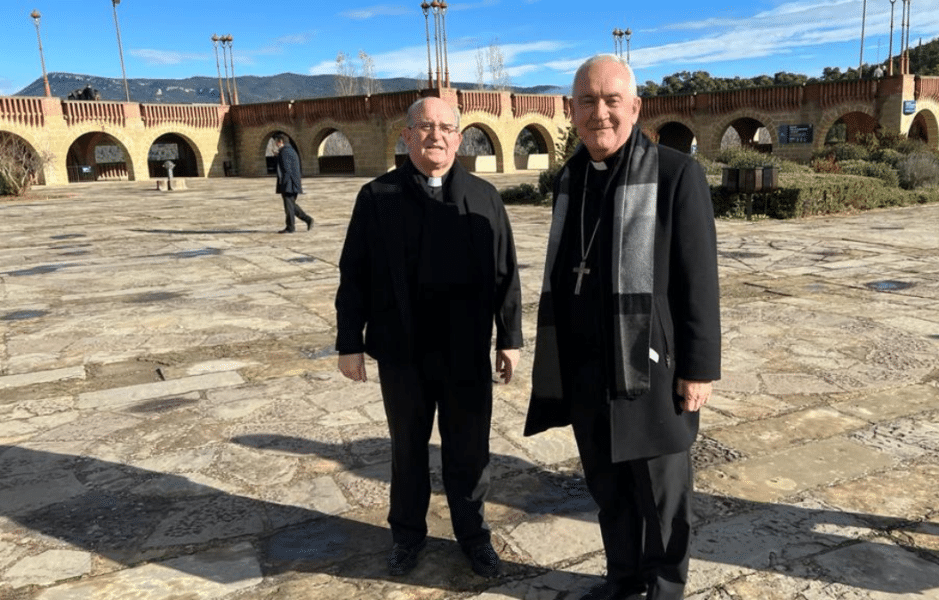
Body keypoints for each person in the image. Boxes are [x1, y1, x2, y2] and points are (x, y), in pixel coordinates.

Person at [524, 55, 721, 600]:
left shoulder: (677, 173)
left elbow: (698, 278)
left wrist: (700, 368)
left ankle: (663, 589)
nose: (600, 113)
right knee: (608, 489)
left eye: (612, 100)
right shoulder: (571, 178)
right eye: (587, 101)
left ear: (635, 107)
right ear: (572, 110)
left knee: (660, 495)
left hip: (651, 365)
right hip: (588, 365)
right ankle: (623, 577)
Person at [335, 97, 522, 579]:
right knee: (407, 450)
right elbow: (352, 274)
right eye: (424, 127)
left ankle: (474, 538)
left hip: (465, 354)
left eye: (445, 128)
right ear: (406, 134)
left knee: (469, 451)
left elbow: (506, 272)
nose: (435, 136)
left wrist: (510, 337)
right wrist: (348, 343)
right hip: (402, 354)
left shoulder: (484, 197)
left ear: (459, 138)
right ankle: (406, 537)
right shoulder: (378, 197)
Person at [273, 133, 313, 233]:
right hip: (293, 184)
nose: (276, 144)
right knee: (291, 206)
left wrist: (284, 185)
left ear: (281, 141)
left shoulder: (284, 152)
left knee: (289, 207)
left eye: (276, 142)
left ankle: (291, 227)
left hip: (288, 184)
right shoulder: (290, 150)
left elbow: (286, 170)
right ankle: (308, 220)